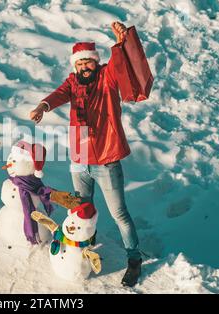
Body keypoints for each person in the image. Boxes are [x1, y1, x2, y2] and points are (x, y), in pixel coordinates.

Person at [29, 21, 145, 287]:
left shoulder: (107, 77)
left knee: (119, 214)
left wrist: (120, 44)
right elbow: (59, 94)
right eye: (79, 64)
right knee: (81, 210)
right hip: (79, 160)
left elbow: (121, 68)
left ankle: (134, 259)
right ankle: (81, 251)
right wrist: (43, 106)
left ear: (95, 63)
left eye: (88, 63)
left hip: (106, 159)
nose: (83, 68)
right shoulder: (73, 82)